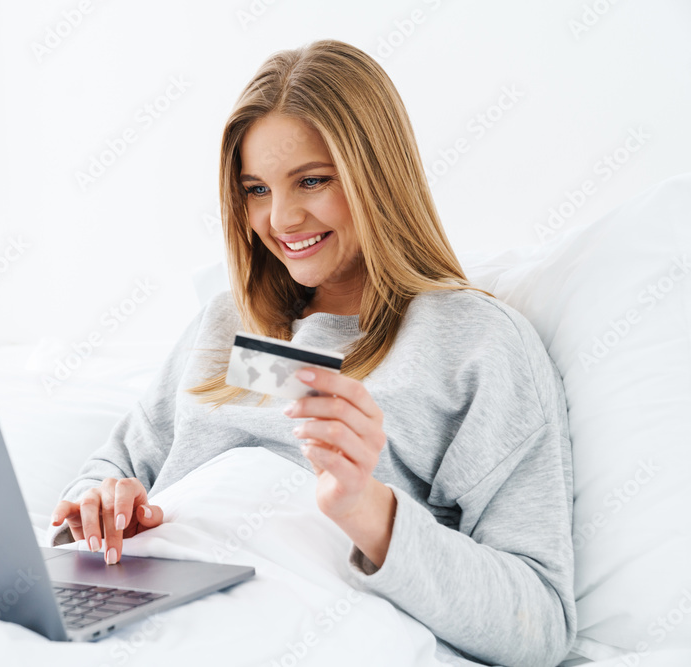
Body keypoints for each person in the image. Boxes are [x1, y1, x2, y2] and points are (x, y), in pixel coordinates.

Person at [49, 39, 575, 666]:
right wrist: (101, 506)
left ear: (377, 175)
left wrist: (367, 510)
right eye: (256, 190)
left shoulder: (476, 343)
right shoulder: (227, 325)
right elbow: (112, 467)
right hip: (144, 592)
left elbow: (538, 626)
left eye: (313, 181)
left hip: (287, 615)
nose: (282, 219)